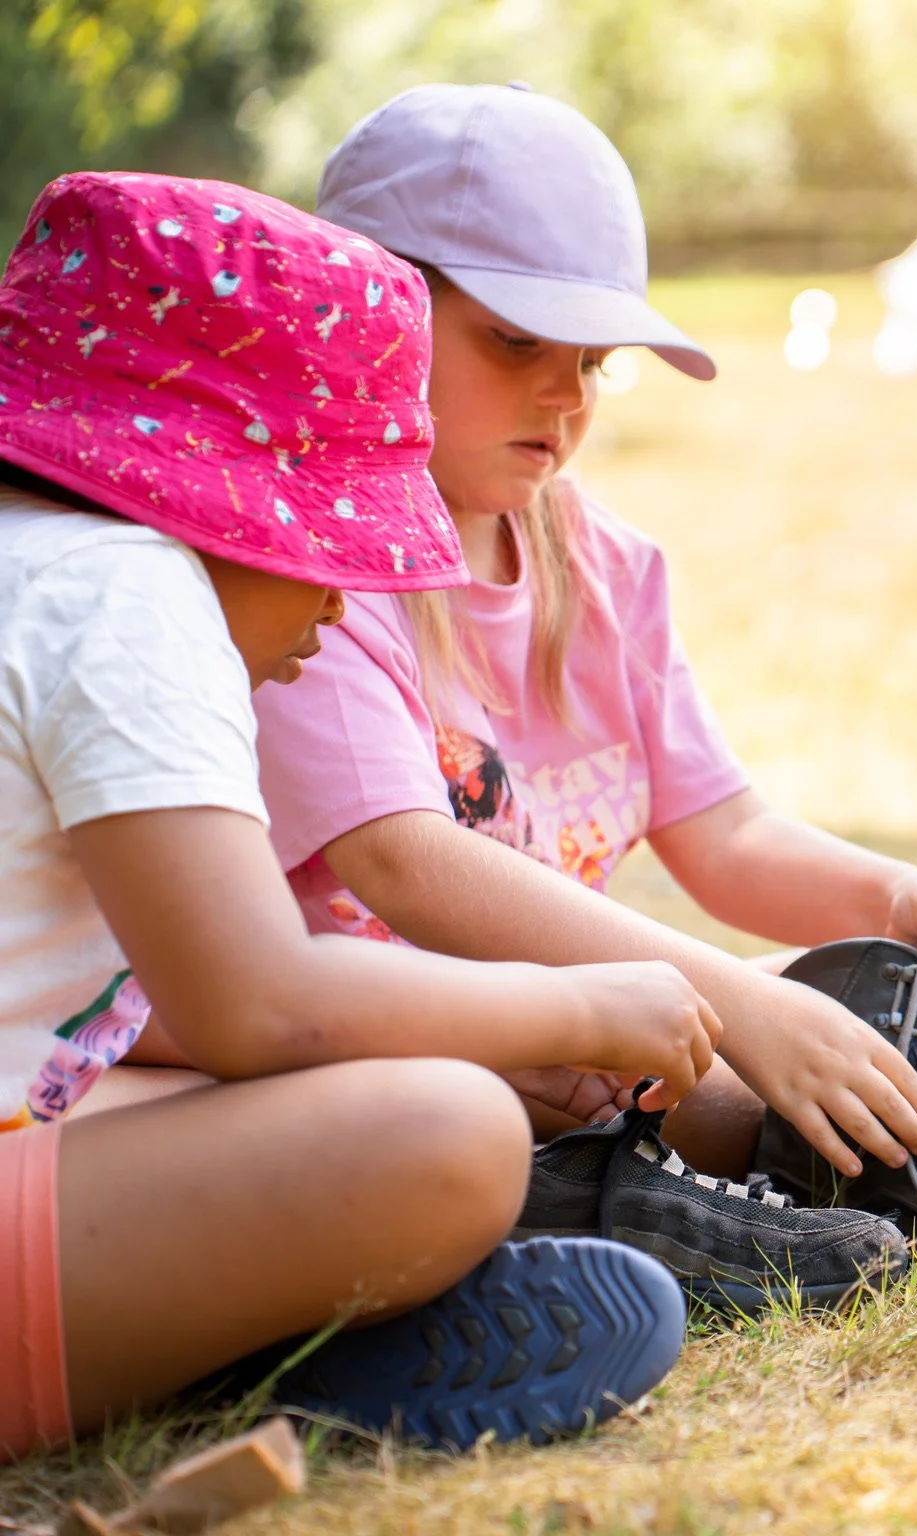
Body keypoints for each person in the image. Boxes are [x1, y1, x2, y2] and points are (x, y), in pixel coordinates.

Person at [250, 85, 917, 1285]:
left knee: (850, 987)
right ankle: (911, 1152)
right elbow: (413, 868)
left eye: (593, 358)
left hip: (580, 1038)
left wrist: (890, 900)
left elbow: (723, 831)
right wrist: (738, 1010)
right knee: (731, 1018)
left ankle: (913, 1135)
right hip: (389, 1051)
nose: (567, 393)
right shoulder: (315, 578)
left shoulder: (598, 566)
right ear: (372, 309)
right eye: (516, 342)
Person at [0, 172, 707, 1459]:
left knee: (335, 1079)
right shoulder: (122, 599)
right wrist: (593, 1002)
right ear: (206, 504)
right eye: (325, 549)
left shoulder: (32, 561)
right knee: (449, 1128)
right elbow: (256, 1003)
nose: (339, 606)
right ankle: (265, 1338)